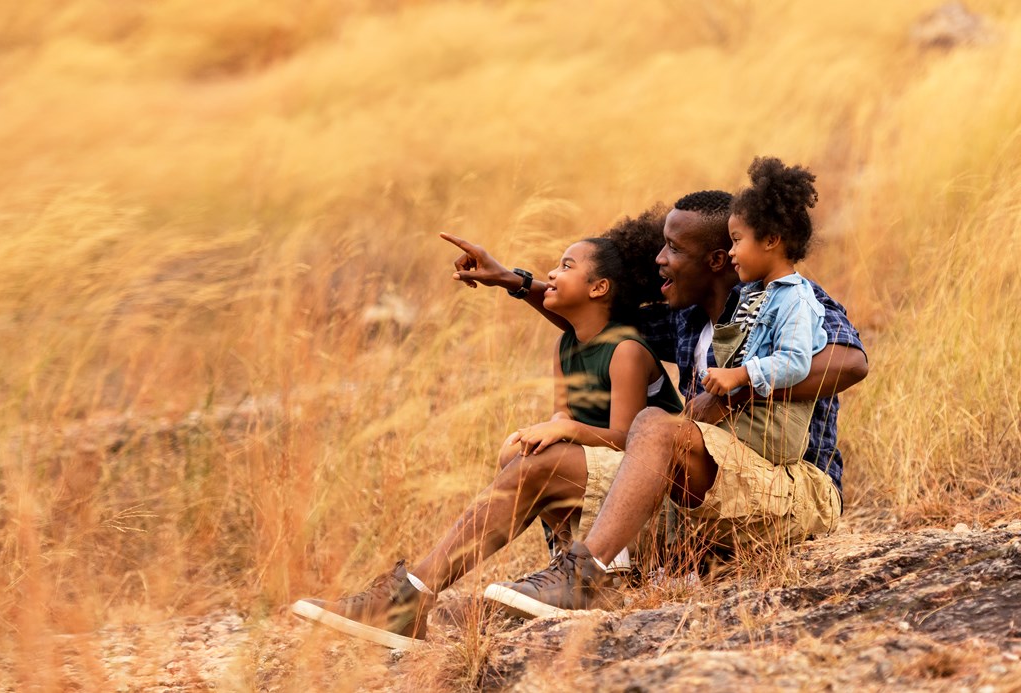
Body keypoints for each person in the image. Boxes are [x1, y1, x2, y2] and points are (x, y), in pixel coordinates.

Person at [291, 209, 683, 649]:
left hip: (652, 491)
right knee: (522, 454)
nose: (552, 273)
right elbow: (563, 413)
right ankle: (568, 562)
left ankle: (409, 599)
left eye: (566, 267)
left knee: (547, 459)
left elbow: (628, 439)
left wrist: (566, 429)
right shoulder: (566, 342)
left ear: (598, 288)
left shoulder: (626, 350)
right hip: (603, 477)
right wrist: (546, 429)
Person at [478, 181, 868, 618]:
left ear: (718, 259)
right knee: (537, 454)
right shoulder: (686, 320)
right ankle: (423, 597)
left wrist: (734, 394)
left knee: (654, 425)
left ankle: (583, 577)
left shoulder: (782, 297)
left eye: (673, 248)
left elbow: (850, 364)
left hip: (794, 483)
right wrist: (513, 281)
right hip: (718, 479)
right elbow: (594, 319)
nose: (660, 260)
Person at [700, 157, 827, 467]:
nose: (730, 252)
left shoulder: (795, 298)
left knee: (676, 436)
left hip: (774, 426)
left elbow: (794, 362)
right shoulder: (754, 294)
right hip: (749, 415)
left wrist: (739, 374)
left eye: (736, 240)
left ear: (771, 240)